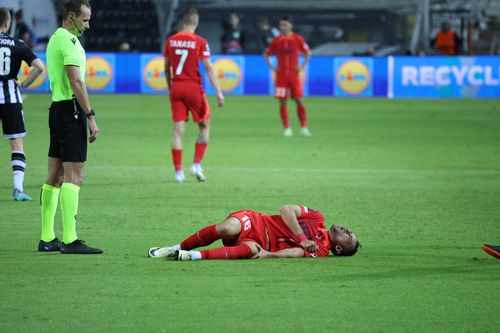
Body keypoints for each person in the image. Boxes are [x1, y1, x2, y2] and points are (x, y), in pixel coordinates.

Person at [39, 0, 102, 254]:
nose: (88, 25)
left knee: (55, 175)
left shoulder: (55, 38)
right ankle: (69, 239)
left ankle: (47, 238)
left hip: (56, 109)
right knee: (75, 174)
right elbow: (76, 81)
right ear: (72, 16)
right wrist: (90, 115)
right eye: (85, 20)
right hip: (71, 112)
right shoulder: (70, 42)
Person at [149, 204, 360, 260]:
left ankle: (190, 256)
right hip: (256, 221)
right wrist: (302, 238)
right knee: (226, 228)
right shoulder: (317, 218)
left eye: (349, 235)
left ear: (339, 248)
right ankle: (174, 248)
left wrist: (269, 254)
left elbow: (295, 253)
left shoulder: (322, 250)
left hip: (260, 243)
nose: (347, 230)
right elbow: (286, 209)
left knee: (250, 251)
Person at [164, 7, 224, 183]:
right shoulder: (200, 41)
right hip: (193, 88)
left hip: (177, 87)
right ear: (196, 23)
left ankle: (178, 173)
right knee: (205, 126)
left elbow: (166, 68)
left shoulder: (171, 41)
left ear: (183, 22)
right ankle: (196, 164)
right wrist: (219, 92)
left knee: (177, 130)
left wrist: (170, 86)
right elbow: (209, 67)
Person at [0, 8, 44, 201]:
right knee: (16, 144)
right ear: (8, 23)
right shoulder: (18, 44)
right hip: (11, 97)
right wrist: (24, 84)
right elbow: (39, 67)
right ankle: (18, 189)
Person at [264, 16, 312, 138]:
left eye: (285, 25)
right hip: (281, 76)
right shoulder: (277, 40)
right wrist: (273, 67)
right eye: (281, 25)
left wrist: (302, 66)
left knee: (299, 100)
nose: (282, 27)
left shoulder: (297, 39)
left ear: (290, 25)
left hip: (294, 75)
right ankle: (287, 128)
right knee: (282, 102)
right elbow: (266, 53)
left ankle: (304, 127)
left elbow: (308, 52)